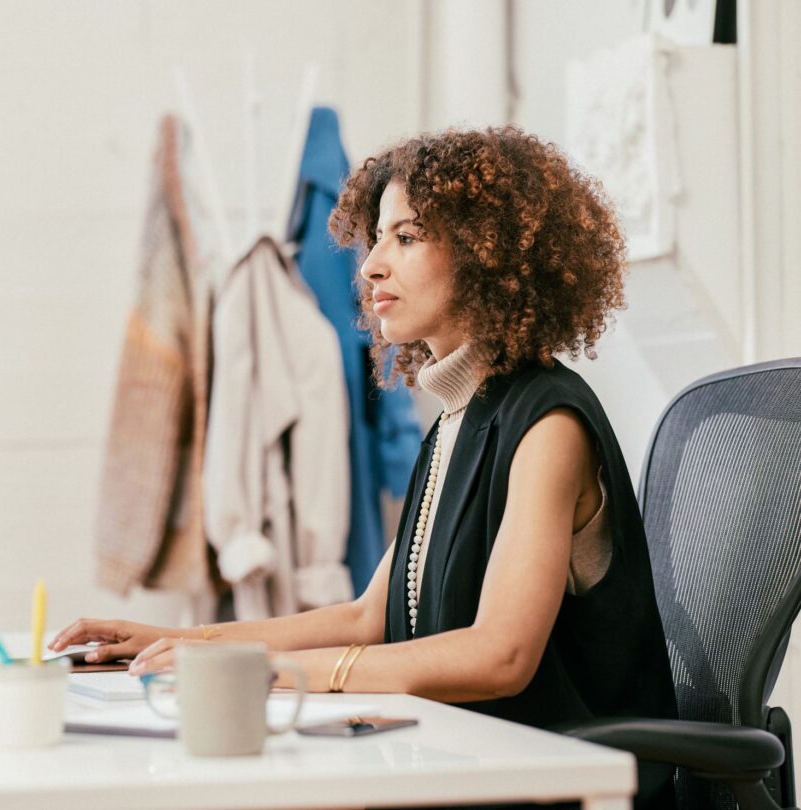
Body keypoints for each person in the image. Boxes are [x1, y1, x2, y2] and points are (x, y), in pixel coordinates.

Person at [52, 126, 677, 808]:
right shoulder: (456, 419)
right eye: (377, 236)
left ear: (487, 255)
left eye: (405, 238)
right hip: (480, 772)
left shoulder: (549, 425)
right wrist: (189, 643)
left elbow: (501, 653)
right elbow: (365, 617)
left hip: (569, 787)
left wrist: (272, 670)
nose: (372, 264)